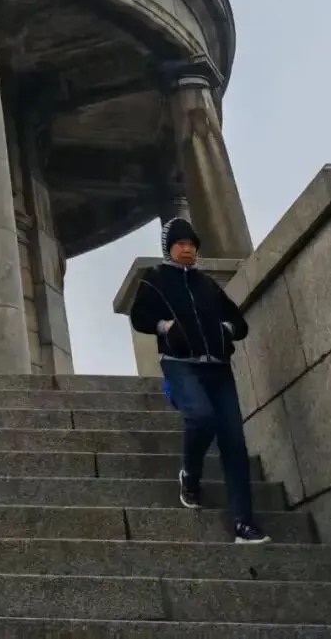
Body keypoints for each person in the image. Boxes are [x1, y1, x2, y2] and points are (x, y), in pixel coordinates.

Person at [130, 216, 270, 544]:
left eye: (192, 244)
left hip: (218, 368)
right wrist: (165, 327)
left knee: (234, 443)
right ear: (168, 247)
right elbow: (140, 316)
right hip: (180, 364)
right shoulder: (156, 279)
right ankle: (190, 475)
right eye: (180, 244)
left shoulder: (207, 284)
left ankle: (243, 523)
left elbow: (239, 322)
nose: (187, 249)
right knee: (201, 417)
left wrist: (226, 330)